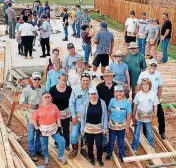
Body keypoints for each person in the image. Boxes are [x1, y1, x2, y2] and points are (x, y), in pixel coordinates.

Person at [32, 92, 67, 165]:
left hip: (53, 128)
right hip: (43, 130)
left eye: (49, 97)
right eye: (45, 97)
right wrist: (37, 129)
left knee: (62, 142)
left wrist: (59, 127)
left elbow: (57, 118)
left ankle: (60, 156)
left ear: (51, 98)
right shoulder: (38, 107)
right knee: (44, 146)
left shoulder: (54, 106)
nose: (47, 99)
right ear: (42, 99)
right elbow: (34, 120)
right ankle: (46, 156)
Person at [19, 72, 46, 161]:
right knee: (31, 135)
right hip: (31, 116)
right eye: (35, 79)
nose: (37, 81)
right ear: (31, 79)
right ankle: (31, 151)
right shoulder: (27, 90)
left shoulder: (43, 89)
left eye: (38, 79)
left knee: (39, 133)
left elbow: (48, 99)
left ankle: (38, 149)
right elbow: (21, 102)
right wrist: (31, 106)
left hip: (41, 116)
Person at [137, 59, 166, 139]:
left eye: (154, 66)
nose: (152, 67)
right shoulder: (143, 74)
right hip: (145, 98)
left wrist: (159, 96)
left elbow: (160, 86)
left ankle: (162, 131)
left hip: (155, 98)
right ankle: (145, 133)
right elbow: (139, 85)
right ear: (148, 66)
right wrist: (139, 96)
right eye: (151, 65)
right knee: (145, 114)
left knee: (161, 115)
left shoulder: (158, 74)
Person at [81, 88, 107, 166]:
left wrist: (105, 128)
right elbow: (83, 117)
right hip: (89, 127)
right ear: (89, 95)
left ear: (97, 94)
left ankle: (99, 158)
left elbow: (105, 115)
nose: (93, 95)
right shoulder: (86, 103)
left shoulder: (102, 103)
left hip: (98, 127)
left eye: (94, 94)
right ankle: (91, 158)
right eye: (91, 94)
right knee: (90, 145)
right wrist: (82, 129)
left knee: (99, 145)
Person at [132, 79, 159, 152]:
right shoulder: (138, 94)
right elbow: (135, 105)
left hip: (149, 116)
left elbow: (155, 105)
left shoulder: (153, 94)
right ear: (141, 86)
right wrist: (133, 114)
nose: (145, 86)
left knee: (149, 132)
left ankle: (151, 147)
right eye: (143, 84)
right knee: (137, 132)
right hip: (139, 116)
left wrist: (155, 115)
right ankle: (134, 147)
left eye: (147, 84)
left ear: (149, 85)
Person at [106, 85, 132, 161]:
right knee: (111, 140)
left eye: (120, 91)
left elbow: (128, 115)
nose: (119, 93)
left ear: (123, 92)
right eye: (117, 92)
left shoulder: (127, 102)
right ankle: (109, 153)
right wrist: (106, 121)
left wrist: (127, 127)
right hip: (112, 125)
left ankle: (122, 154)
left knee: (121, 141)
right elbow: (109, 111)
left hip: (122, 126)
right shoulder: (112, 100)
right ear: (114, 93)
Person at [69, 73, 91, 158]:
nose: (85, 82)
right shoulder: (75, 90)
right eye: (84, 80)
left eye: (87, 80)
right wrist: (73, 116)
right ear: (80, 81)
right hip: (77, 117)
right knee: (74, 134)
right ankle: (74, 149)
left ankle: (83, 149)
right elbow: (71, 104)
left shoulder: (92, 91)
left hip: (88, 117)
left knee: (85, 134)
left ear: (89, 81)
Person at [49, 74, 72, 150]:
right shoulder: (52, 89)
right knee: (57, 128)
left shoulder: (69, 89)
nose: (63, 82)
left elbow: (71, 100)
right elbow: (49, 100)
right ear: (58, 79)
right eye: (62, 80)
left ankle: (67, 144)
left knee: (66, 128)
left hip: (65, 111)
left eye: (65, 81)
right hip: (55, 112)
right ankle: (57, 143)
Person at [96, 69, 116, 152]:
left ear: (113, 77)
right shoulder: (99, 87)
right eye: (107, 76)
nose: (109, 78)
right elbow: (97, 100)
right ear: (103, 77)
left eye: (110, 76)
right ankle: (104, 144)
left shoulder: (116, 86)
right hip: (103, 110)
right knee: (104, 127)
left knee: (113, 127)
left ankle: (111, 143)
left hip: (114, 111)